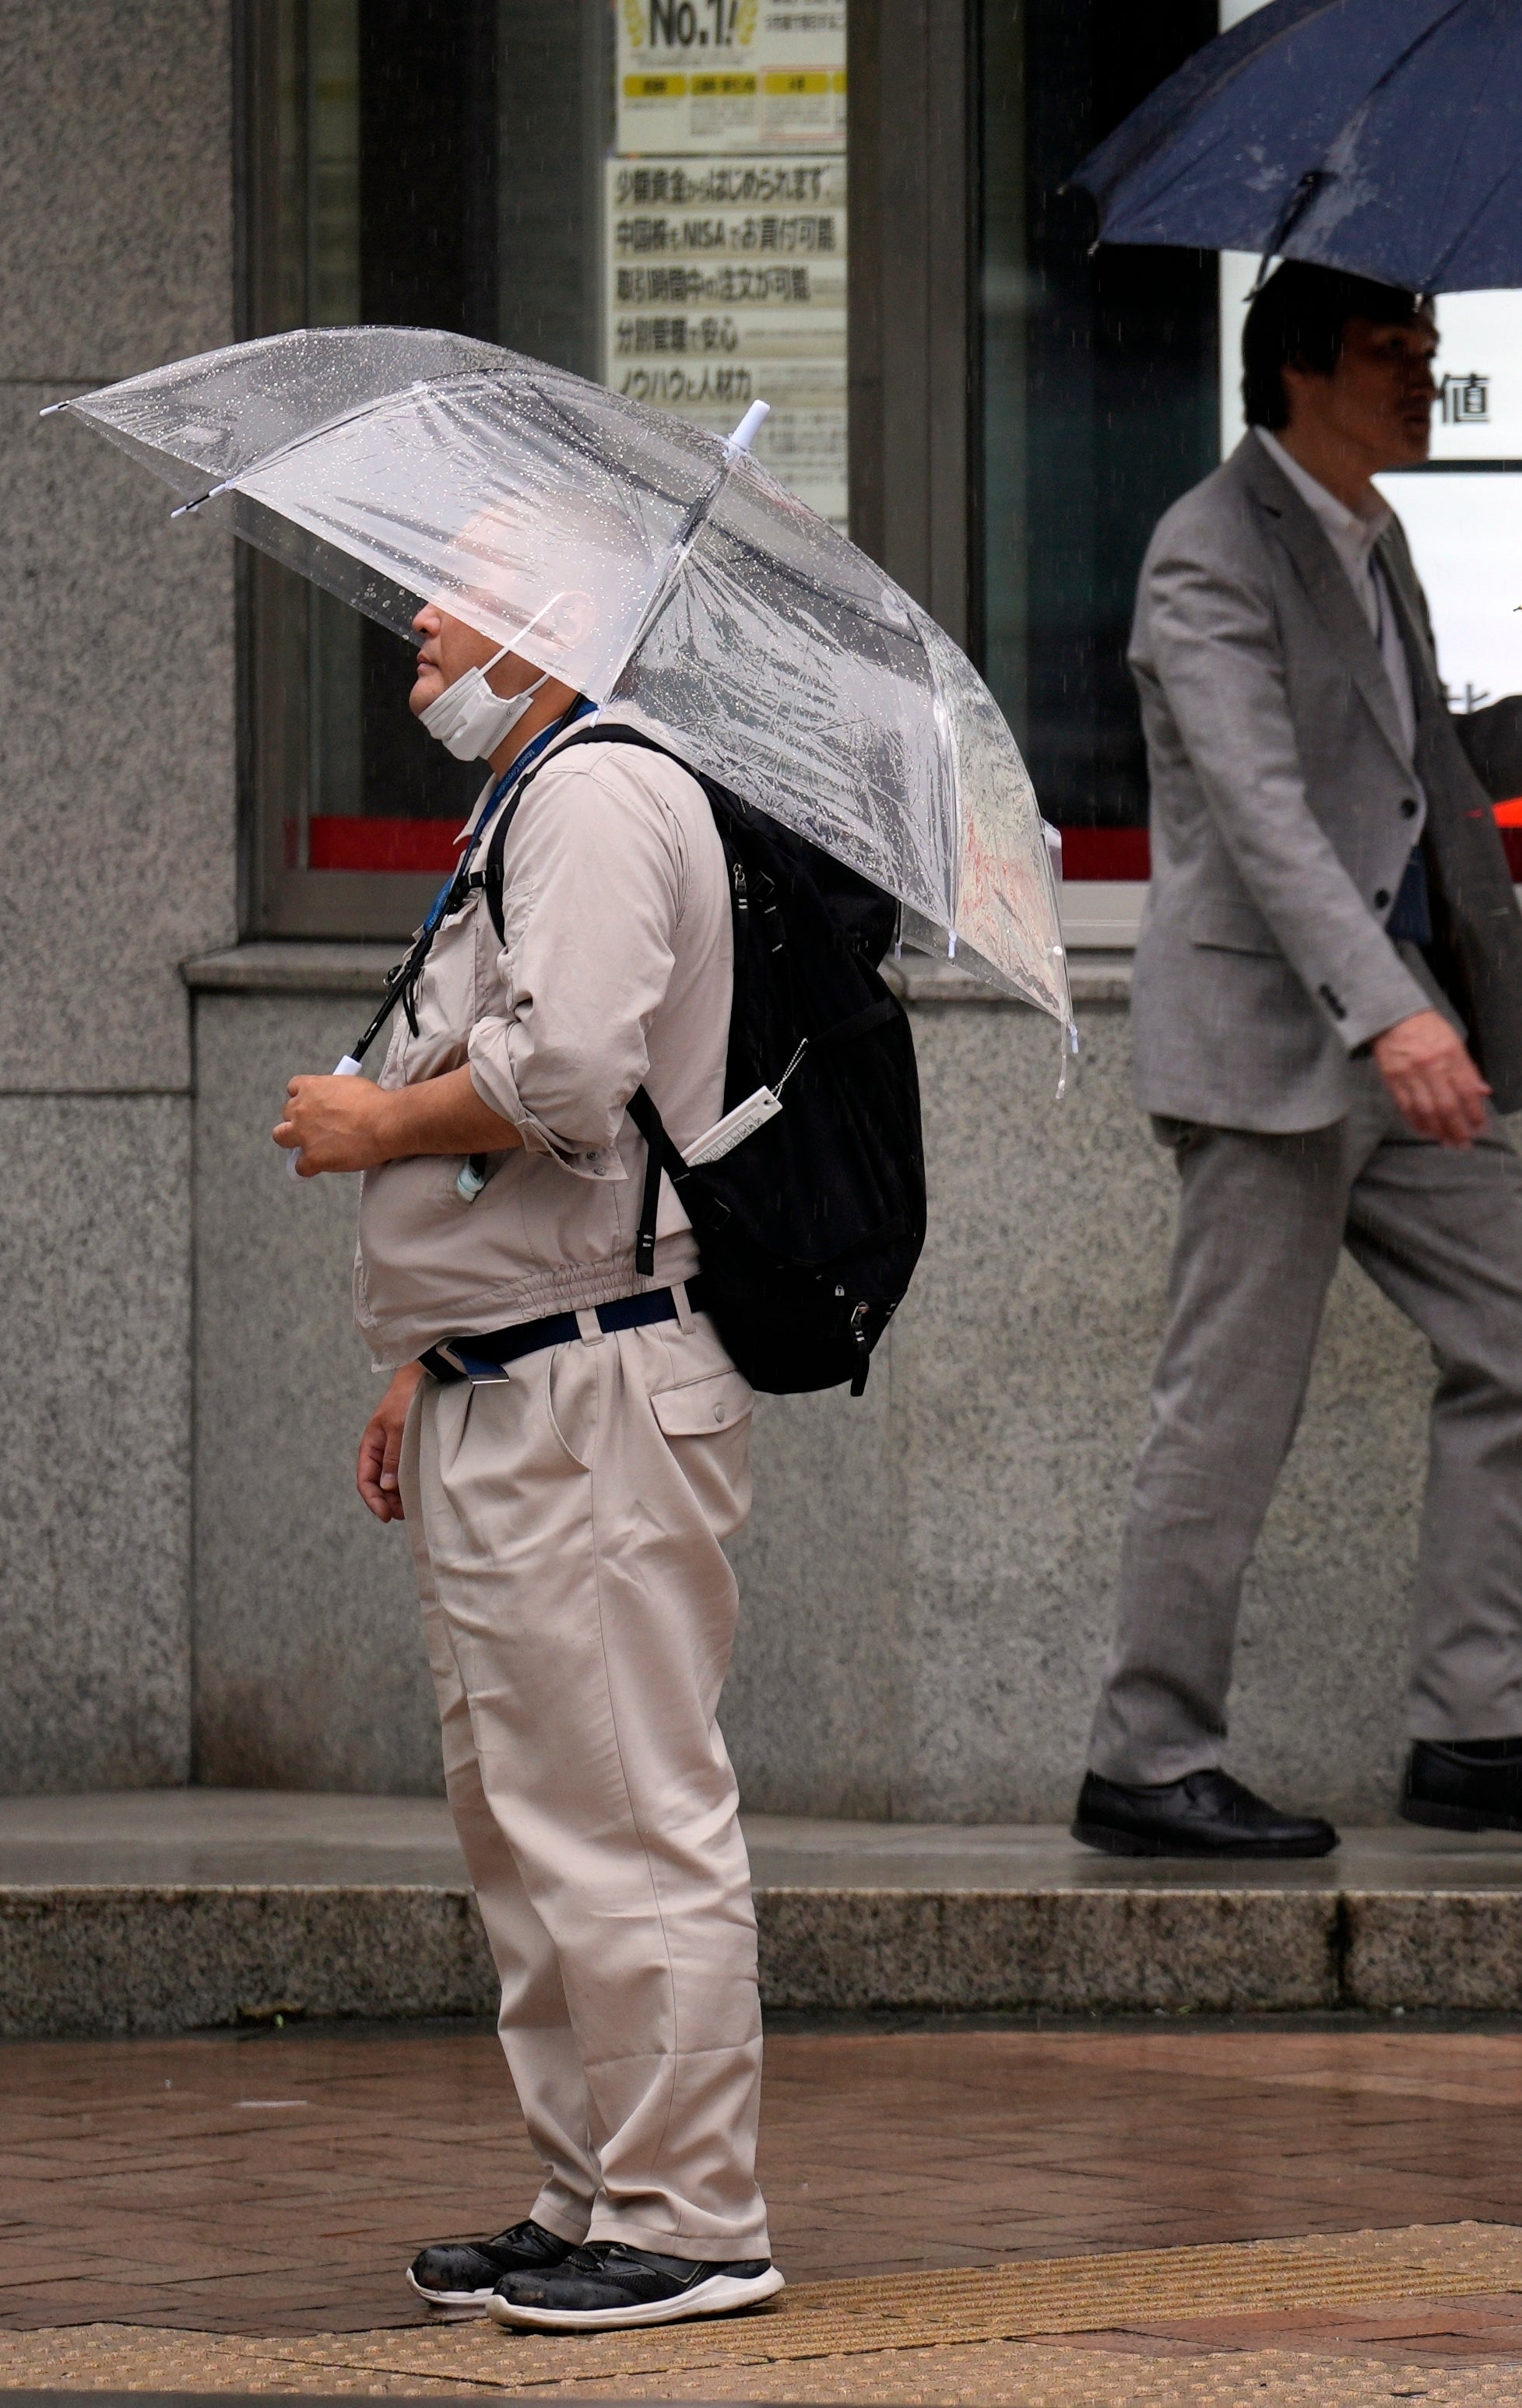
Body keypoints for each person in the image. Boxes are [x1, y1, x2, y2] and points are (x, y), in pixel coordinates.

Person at [273, 529, 783, 2332]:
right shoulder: (540, 794)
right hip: (524, 1367)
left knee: (625, 1813)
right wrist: (428, 1344)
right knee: (533, 1820)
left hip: (592, 1383)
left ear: (564, 622)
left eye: (448, 581)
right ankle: (593, 2190)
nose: (417, 616)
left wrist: (371, 1123)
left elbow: (565, 1076)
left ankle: (692, 2210)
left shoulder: (597, 793)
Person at [1079, 262, 1522, 1859]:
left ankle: (1471, 1727)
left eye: (1431, 352)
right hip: (1281, 1043)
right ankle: (1143, 1756)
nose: (1424, 378)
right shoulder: (1209, 546)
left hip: (1397, 1030)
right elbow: (1261, 813)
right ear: (1301, 368)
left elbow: (1401, 786)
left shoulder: (1371, 539)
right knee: (1226, 1411)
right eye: (1397, 354)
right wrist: (1388, 1012)